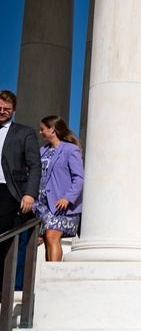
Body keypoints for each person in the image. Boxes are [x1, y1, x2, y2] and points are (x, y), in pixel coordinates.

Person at [0, 90, 41, 284]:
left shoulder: (25, 133)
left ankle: (5, 289)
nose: (2, 111)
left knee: (6, 241)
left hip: (9, 193)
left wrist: (30, 194)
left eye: (6, 109)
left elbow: (35, 165)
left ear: (14, 110)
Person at [36, 116, 84, 262]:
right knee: (47, 240)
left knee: (51, 236)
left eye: (43, 128)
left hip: (61, 204)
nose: (40, 132)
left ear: (52, 129)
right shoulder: (42, 151)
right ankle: (49, 276)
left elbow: (79, 178)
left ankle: (54, 274)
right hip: (43, 205)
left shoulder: (71, 149)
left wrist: (68, 198)